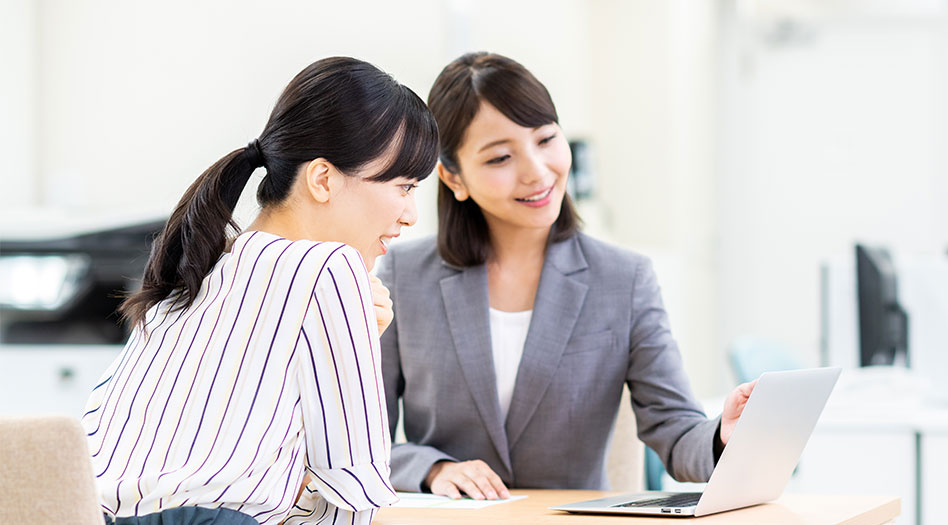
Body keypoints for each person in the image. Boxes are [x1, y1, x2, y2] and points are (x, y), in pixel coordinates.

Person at [376, 52, 757, 500]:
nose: (537, 172)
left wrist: (722, 435)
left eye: (545, 140)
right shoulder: (403, 275)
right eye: (500, 158)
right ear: (453, 177)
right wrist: (433, 468)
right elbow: (361, 439)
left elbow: (675, 432)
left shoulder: (624, 279)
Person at [81, 56, 439, 524]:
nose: (410, 214)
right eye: (405, 186)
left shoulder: (195, 268)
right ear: (323, 178)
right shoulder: (330, 268)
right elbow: (354, 490)